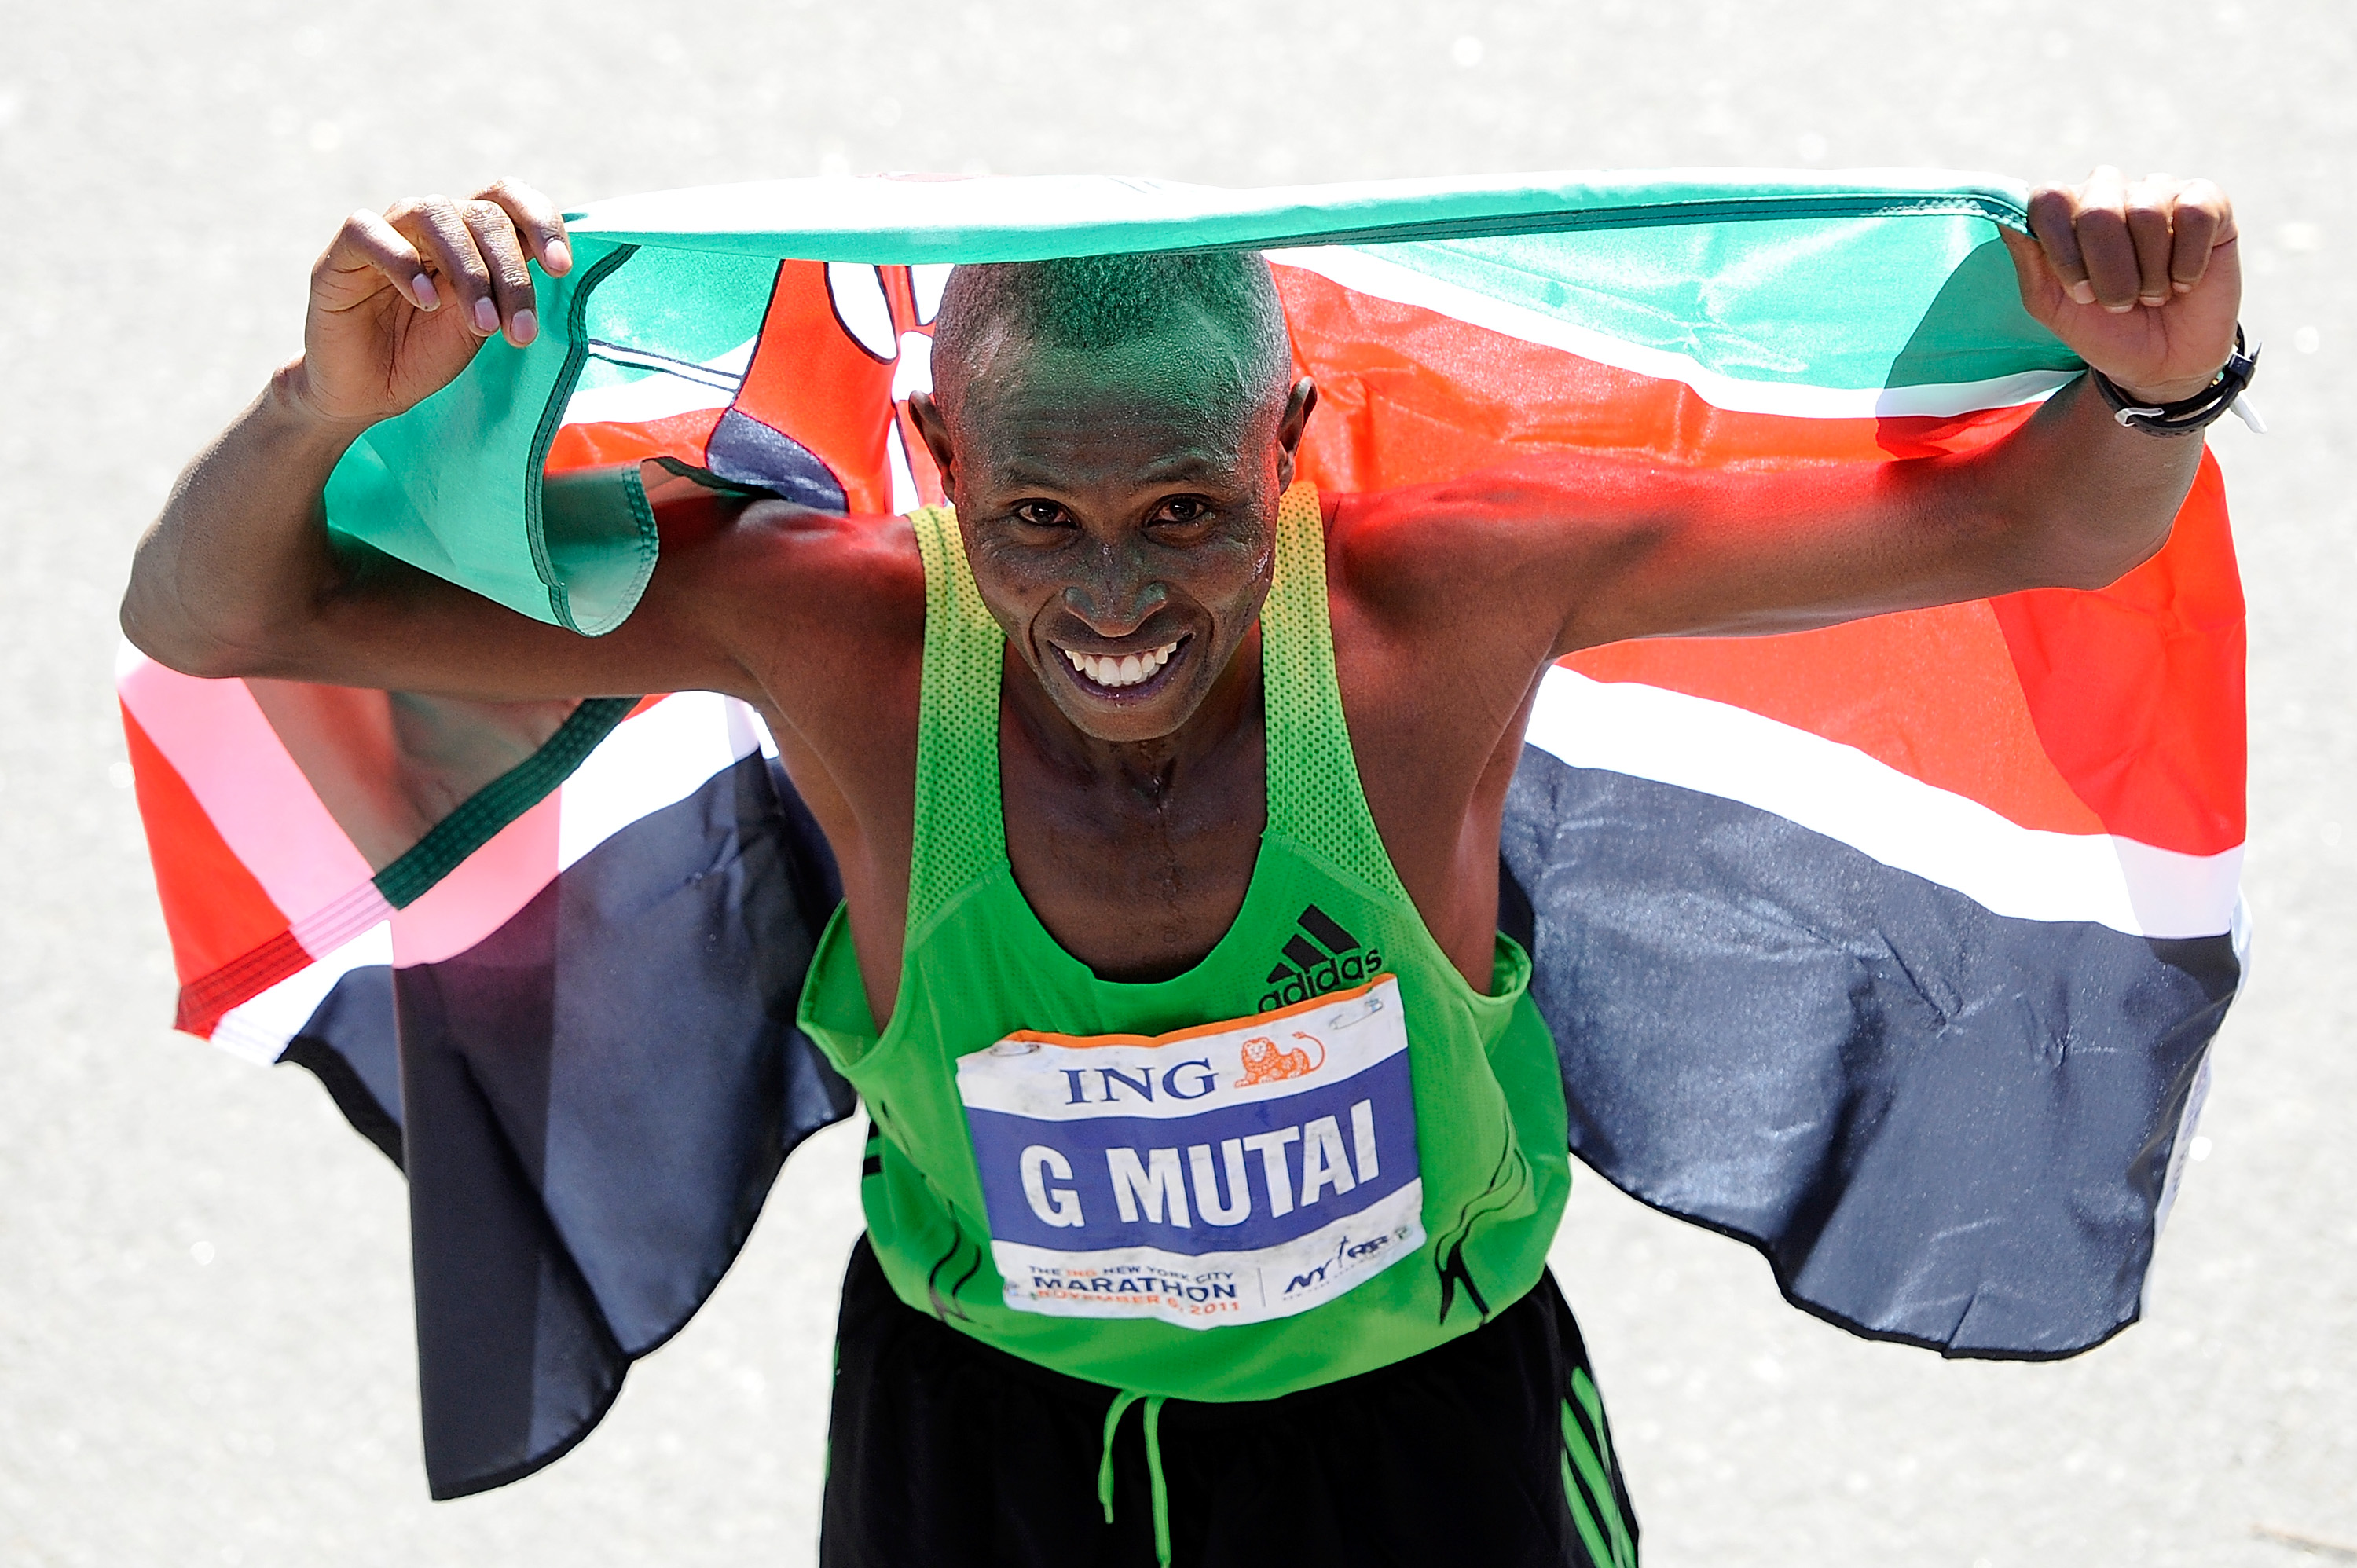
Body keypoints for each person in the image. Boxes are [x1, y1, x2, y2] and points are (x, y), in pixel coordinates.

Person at [122, 167, 2242, 1567]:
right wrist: (320, 403)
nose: (1115, 598)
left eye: (1188, 514)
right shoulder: (838, 638)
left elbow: (2034, 524)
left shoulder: (1440, 614)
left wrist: (2159, 385)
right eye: (1037, 521)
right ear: (940, 462)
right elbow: (223, 615)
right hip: (991, 1451)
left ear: (1289, 442)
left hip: (1421, 1446)